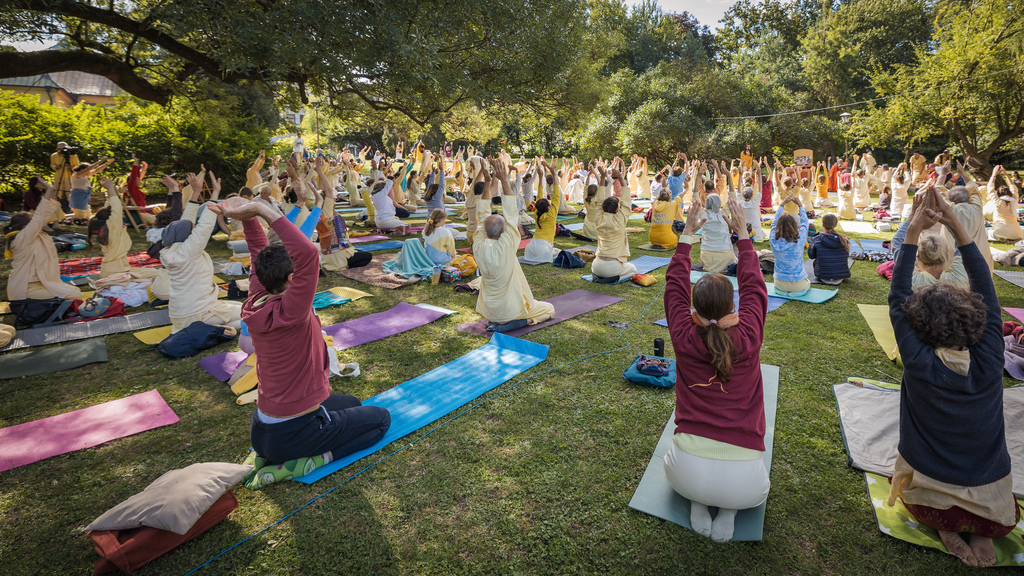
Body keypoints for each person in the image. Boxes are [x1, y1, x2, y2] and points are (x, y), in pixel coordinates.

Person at [886, 186, 1019, 568]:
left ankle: (946, 525)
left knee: (928, 495)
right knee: (989, 508)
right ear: (976, 321)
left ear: (919, 327)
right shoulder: (992, 358)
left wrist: (912, 230)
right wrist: (959, 229)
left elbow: (897, 297)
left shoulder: (918, 360)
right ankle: (982, 529)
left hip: (931, 500)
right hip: (991, 499)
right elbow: (987, 291)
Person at [213, 196, 391, 467]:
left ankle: (297, 446)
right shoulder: (291, 311)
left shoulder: (256, 296)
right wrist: (262, 209)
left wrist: (247, 217)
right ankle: (313, 461)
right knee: (381, 420)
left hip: (264, 429)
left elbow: (257, 250)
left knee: (352, 401)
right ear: (292, 280)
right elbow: (307, 254)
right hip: (293, 433)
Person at [662, 197, 770, 543]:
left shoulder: (682, 333)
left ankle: (698, 500)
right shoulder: (750, 334)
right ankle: (728, 510)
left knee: (693, 474)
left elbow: (674, 288)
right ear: (731, 306)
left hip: (684, 475)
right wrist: (742, 234)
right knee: (738, 488)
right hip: (745, 487)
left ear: (695, 306)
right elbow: (755, 286)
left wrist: (687, 237)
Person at [472, 158, 554, 331]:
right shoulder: (507, 246)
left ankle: (502, 322)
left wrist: (488, 183)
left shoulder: (477, 244)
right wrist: (502, 180)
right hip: (510, 311)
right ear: (502, 232)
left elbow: (482, 215)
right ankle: (523, 322)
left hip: (489, 312)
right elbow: (511, 214)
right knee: (549, 309)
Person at [159, 172, 242, 333]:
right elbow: (204, 226)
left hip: (182, 315)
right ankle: (215, 328)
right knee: (250, 313)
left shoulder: (173, 248)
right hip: (199, 313)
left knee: (241, 306)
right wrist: (213, 201)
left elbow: (186, 221)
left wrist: (197, 192)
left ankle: (210, 326)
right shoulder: (188, 252)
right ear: (189, 236)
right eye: (193, 229)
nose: (194, 227)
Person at [3, 177, 82, 301]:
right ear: (25, 226)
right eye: (32, 219)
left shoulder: (28, 235)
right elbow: (40, 214)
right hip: (26, 289)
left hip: (39, 284)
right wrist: (49, 188)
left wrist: (51, 191)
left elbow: (42, 216)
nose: (37, 221)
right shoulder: (22, 237)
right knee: (74, 294)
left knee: (74, 292)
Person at [592, 159, 635, 280]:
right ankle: (615, 278)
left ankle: (601, 276)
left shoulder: (598, 218)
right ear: (617, 209)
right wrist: (621, 178)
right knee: (633, 269)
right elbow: (626, 201)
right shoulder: (620, 220)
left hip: (596, 265)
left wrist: (602, 177)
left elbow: (599, 199)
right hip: (613, 266)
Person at [769, 194, 810, 296]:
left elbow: (773, 223)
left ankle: (783, 292)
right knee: (807, 283)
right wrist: (800, 205)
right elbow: (805, 222)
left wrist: (782, 204)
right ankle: (797, 292)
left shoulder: (773, 239)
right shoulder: (800, 239)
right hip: (798, 284)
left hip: (779, 283)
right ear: (795, 225)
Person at [523, 160, 561, 264]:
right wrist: (553, 173)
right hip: (543, 248)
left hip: (530, 248)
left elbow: (539, 196)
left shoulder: (536, 213)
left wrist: (540, 177)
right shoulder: (551, 215)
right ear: (549, 207)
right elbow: (556, 195)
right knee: (559, 252)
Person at [808, 214, 850, 285]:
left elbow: (811, 255)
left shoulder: (817, 239)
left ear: (823, 225)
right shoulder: (843, 240)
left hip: (823, 276)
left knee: (816, 261)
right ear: (835, 225)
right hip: (840, 276)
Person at [68, 157, 114, 224]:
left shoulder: (85, 175)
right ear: (82, 169)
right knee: (80, 215)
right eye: (87, 170)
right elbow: (90, 169)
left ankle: (67, 217)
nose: (89, 172)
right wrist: (99, 161)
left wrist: (106, 164)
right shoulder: (77, 175)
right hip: (78, 196)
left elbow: (96, 170)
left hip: (84, 195)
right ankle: (67, 218)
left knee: (87, 215)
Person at [699, 192, 736, 273]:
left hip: (706, 256)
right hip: (725, 256)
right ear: (719, 203)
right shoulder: (723, 214)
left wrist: (698, 179)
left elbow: (695, 198)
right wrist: (729, 178)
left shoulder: (703, 215)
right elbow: (732, 197)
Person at [50, 142, 80, 209]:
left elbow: (77, 165)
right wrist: (56, 167)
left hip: (69, 176)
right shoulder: (54, 156)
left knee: (69, 192)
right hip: (58, 176)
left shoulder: (73, 156)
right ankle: (56, 208)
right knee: (57, 192)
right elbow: (52, 164)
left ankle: (72, 207)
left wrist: (73, 168)